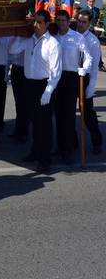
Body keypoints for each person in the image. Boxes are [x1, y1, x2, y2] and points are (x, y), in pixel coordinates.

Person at [10, 10, 62, 173]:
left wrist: (48, 91)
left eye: (39, 22)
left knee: (44, 124)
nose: (35, 25)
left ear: (47, 24)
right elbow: (13, 50)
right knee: (34, 121)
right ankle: (35, 151)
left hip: (45, 86)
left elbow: (56, 72)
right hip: (29, 85)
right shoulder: (28, 40)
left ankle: (45, 159)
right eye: (34, 21)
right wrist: (19, 34)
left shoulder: (53, 44)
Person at [53, 10, 92, 165]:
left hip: (71, 77)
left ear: (69, 22)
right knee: (58, 114)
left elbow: (88, 57)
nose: (61, 23)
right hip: (56, 78)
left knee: (68, 115)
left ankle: (67, 151)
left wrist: (85, 69)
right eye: (58, 20)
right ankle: (60, 145)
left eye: (63, 20)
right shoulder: (53, 37)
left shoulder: (77, 38)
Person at [76, 10, 103, 155]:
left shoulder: (93, 41)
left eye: (84, 22)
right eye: (79, 21)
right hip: (70, 75)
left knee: (87, 112)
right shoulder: (71, 34)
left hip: (85, 78)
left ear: (90, 23)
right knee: (65, 112)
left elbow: (93, 68)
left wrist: (91, 85)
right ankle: (70, 141)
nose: (80, 24)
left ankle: (97, 141)